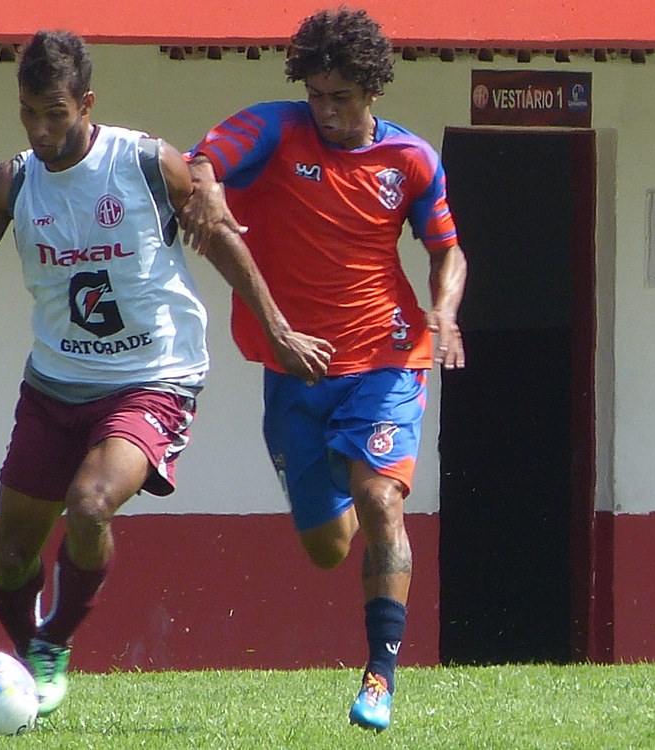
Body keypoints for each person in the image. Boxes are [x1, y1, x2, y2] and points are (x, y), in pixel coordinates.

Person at [0, 30, 331, 716]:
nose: (40, 129)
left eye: (54, 113)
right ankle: (29, 662)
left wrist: (278, 329)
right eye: (28, 113)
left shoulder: (146, 163)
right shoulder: (15, 182)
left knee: (90, 504)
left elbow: (221, 243)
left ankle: (54, 643)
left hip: (153, 375)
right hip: (54, 384)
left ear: (86, 104)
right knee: (11, 557)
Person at [181, 7, 467, 732]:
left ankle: (381, 675)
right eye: (316, 95)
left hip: (387, 355)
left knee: (380, 501)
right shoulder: (275, 129)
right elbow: (203, 159)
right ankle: (342, 460)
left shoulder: (411, 160)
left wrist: (445, 311)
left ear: (372, 90)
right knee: (326, 548)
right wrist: (205, 182)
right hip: (296, 371)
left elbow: (447, 250)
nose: (326, 110)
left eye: (341, 97)